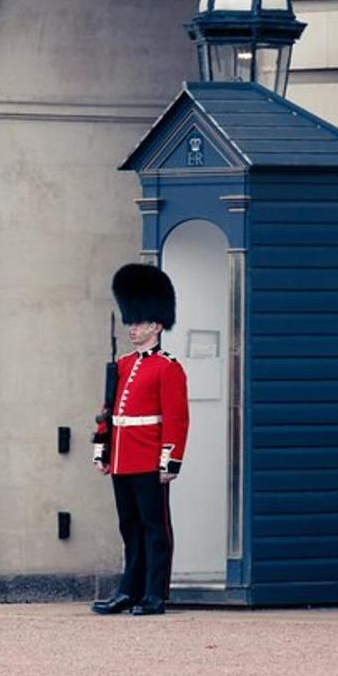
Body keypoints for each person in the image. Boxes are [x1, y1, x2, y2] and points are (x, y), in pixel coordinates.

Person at [91, 263, 189, 616]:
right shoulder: (123, 364)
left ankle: (155, 592)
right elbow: (109, 412)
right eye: (131, 322)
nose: (133, 329)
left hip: (149, 458)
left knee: (155, 529)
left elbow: (176, 419)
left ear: (157, 325)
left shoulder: (168, 367)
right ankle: (128, 590)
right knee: (129, 527)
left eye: (140, 323)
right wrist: (102, 450)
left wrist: (169, 461)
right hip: (122, 457)